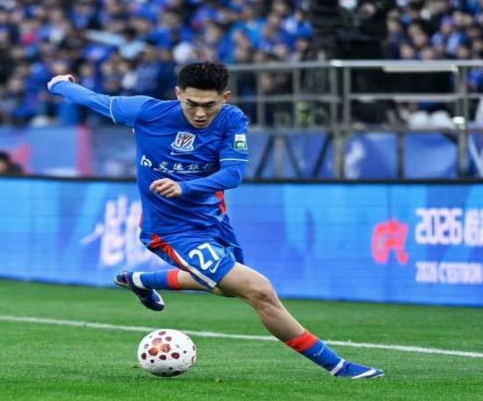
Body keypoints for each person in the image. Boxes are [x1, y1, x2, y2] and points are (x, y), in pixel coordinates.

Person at [47, 62, 383, 379]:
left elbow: (233, 174)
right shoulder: (147, 112)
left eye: (209, 105)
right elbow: (95, 100)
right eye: (192, 104)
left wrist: (185, 187)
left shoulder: (231, 120)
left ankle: (140, 280)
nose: (200, 113)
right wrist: (60, 84)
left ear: (225, 97)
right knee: (259, 291)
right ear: (178, 93)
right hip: (170, 231)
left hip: (214, 223)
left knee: (225, 289)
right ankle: (338, 367)